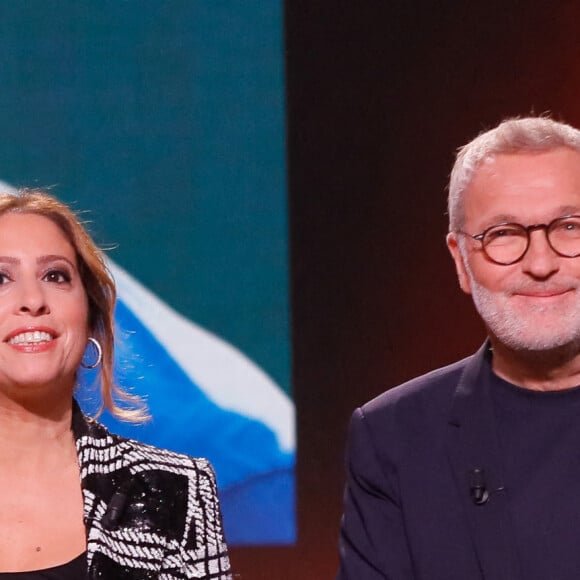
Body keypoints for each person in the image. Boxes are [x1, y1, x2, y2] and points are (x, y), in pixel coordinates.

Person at [337, 116, 580, 580]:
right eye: (504, 233)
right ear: (461, 260)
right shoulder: (393, 438)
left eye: (570, 226)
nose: (542, 263)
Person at [0, 190, 232, 579]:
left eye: (55, 276)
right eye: (0, 277)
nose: (32, 300)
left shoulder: (175, 490)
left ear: (90, 316)